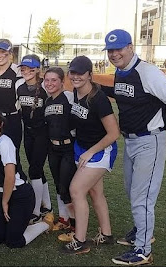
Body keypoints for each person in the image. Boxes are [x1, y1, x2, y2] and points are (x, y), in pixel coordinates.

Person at [100, 29, 166, 265]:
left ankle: (143, 250)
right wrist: (93, 86)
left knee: (142, 197)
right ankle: (141, 231)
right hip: (131, 141)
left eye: (118, 49)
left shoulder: (147, 72)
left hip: (149, 141)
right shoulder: (121, 71)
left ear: (130, 47)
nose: (114, 54)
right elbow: (123, 93)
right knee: (134, 192)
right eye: (110, 50)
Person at [60, 55, 119, 255]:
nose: (75, 77)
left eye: (80, 73)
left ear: (90, 75)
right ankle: (107, 234)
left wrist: (91, 152)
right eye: (73, 73)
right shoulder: (75, 93)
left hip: (99, 151)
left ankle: (80, 240)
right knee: (95, 192)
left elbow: (114, 133)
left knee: (76, 190)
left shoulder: (99, 99)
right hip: (83, 148)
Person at [0, 109, 53, 248]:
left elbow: (10, 177)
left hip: (20, 195)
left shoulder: (5, 143)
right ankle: (13, 222)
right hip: (0, 193)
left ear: (0, 125)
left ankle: (44, 225)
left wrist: (4, 203)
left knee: (13, 241)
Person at [15, 54, 52, 224]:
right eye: (23, 68)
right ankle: (47, 206)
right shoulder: (19, 86)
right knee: (35, 169)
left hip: (43, 132)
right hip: (28, 132)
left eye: (30, 68)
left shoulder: (45, 86)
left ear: (37, 69)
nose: (26, 71)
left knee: (34, 170)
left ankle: (35, 210)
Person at [43, 67, 76, 232]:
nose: (49, 83)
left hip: (68, 148)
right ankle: (64, 219)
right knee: (58, 185)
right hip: (53, 149)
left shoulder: (69, 97)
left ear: (62, 81)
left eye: (54, 80)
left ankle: (75, 227)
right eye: (47, 80)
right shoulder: (47, 101)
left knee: (66, 187)